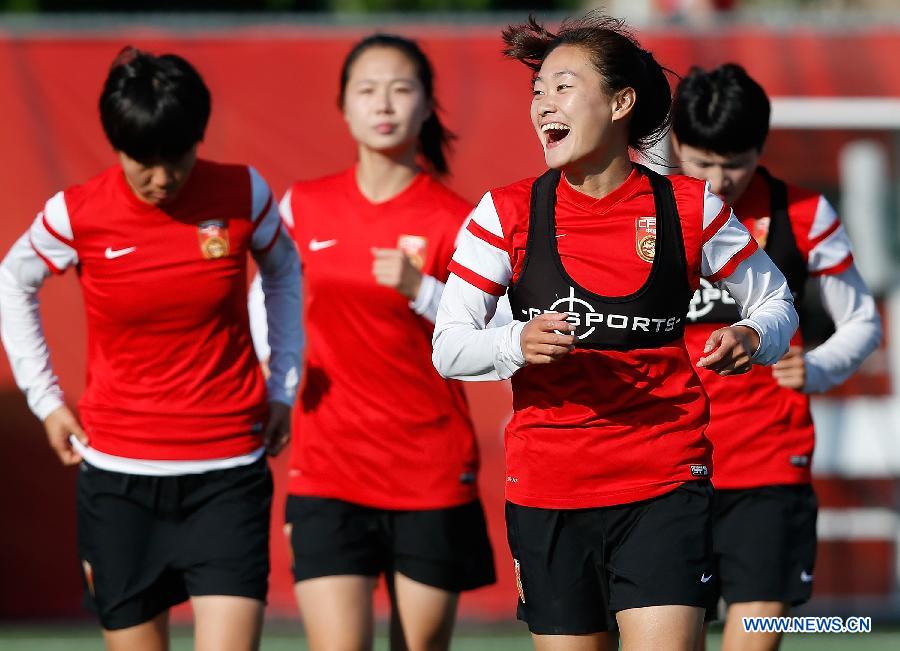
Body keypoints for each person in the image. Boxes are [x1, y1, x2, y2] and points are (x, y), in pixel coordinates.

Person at [432, 13, 799, 651]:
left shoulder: (692, 206)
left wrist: (753, 337)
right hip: (549, 489)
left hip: (664, 479)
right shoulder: (505, 211)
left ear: (621, 102)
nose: (543, 104)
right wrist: (514, 344)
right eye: (537, 91)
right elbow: (449, 347)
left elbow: (778, 304)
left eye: (562, 87)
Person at [0, 47, 301, 651]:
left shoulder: (243, 192)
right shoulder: (76, 213)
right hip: (119, 482)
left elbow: (284, 272)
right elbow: (14, 280)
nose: (163, 177)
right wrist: (46, 400)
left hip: (228, 476)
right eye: (145, 160)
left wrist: (282, 382)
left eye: (179, 157)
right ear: (116, 143)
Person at [249, 34, 495, 651]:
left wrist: (424, 290)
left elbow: (491, 342)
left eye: (401, 88)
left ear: (427, 106)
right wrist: (278, 377)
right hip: (327, 467)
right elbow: (266, 300)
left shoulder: (458, 219)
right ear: (344, 107)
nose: (383, 102)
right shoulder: (303, 205)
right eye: (367, 89)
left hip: (429, 471)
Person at [671, 63, 882, 651]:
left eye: (733, 162)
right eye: (701, 161)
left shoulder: (805, 214)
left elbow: (862, 322)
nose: (717, 180)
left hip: (768, 466)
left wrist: (817, 367)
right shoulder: (646, 213)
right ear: (675, 145)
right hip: (667, 468)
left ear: (760, 149)